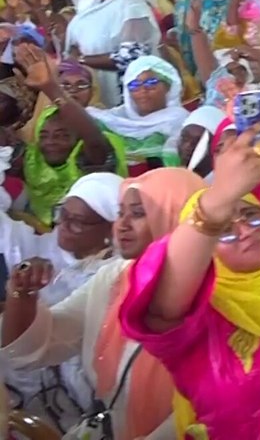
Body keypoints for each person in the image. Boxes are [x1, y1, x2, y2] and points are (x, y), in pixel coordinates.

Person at [119, 20, 260, 439]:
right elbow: (161, 305)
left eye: (253, 215)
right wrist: (219, 199)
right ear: (206, 248)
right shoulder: (197, 316)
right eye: (225, 230)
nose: (245, 230)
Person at [0, 168, 202, 439]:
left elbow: (197, 415)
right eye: (121, 213)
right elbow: (34, 348)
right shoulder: (116, 278)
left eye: (138, 214)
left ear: (177, 218)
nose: (122, 224)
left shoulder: (213, 303)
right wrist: (22, 293)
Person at [16, 45, 127, 225]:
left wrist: (51, 88)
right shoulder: (32, 158)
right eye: (44, 135)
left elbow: (94, 142)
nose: (50, 142)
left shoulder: (90, 158)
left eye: (62, 136)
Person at [63, 0, 163, 106]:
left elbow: (131, 56)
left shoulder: (132, 6)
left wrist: (79, 60)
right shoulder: (90, 1)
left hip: (125, 97)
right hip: (90, 93)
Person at [85, 56, 190, 172]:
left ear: (168, 86)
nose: (143, 90)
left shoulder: (180, 120)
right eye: (134, 85)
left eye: (151, 83)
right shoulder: (115, 118)